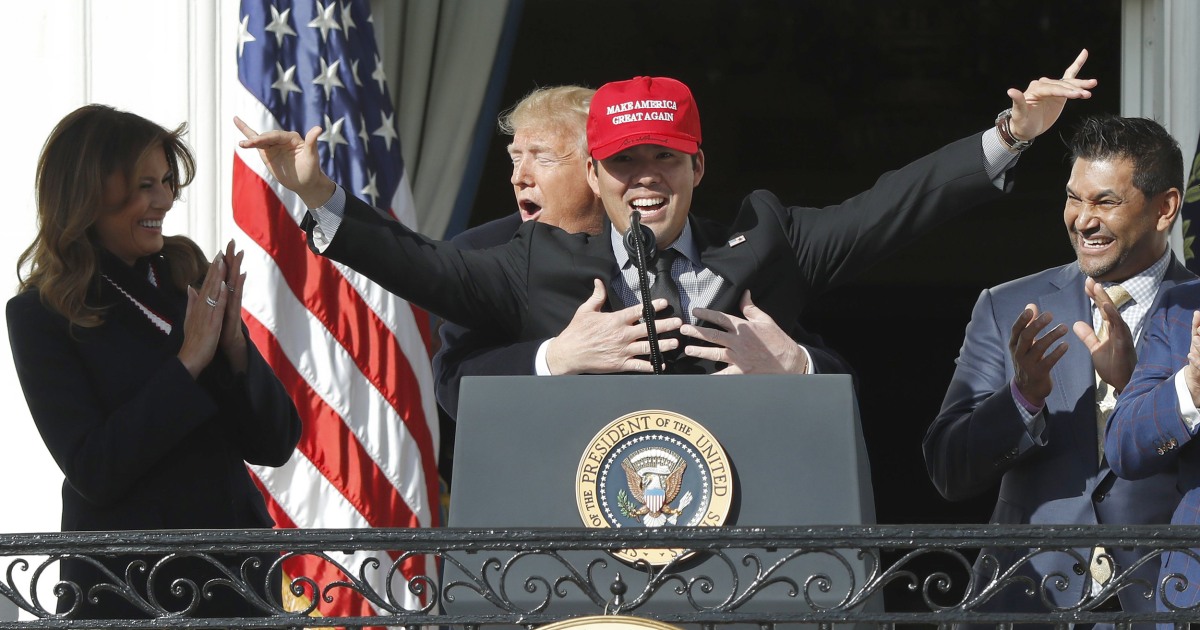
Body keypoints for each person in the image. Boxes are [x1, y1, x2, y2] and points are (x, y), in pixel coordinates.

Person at [236, 51, 1093, 378]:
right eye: (624, 164)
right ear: (598, 176)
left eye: (665, 159)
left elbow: (892, 208)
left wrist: (1012, 132)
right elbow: (421, 265)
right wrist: (318, 196)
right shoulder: (536, 265)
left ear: (697, 166)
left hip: (748, 563)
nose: (645, 180)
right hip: (581, 573)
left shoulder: (768, 241)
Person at [7, 105, 302, 620]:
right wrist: (187, 362)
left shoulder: (185, 277)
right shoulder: (40, 314)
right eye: (145, 185)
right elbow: (94, 469)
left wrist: (233, 347)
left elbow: (275, 443)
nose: (164, 200)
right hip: (125, 593)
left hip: (236, 586)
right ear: (86, 192)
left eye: (167, 182)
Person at [434, 85, 852, 421]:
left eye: (542, 159)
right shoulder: (483, 251)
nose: (518, 178)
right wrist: (555, 357)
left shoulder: (715, 251)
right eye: (514, 158)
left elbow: (820, 368)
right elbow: (454, 386)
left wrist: (798, 364)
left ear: (594, 172)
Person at [923, 115, 1189, 622]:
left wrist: (1139, 389)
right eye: (1073, 198)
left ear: (1165, 208)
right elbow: (948, 470)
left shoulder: (1196, 315)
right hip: (1028, 601)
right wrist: (1022, 398)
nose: (1082, 219)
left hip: (1170, 600)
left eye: (1105, 201)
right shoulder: (1010, 307)